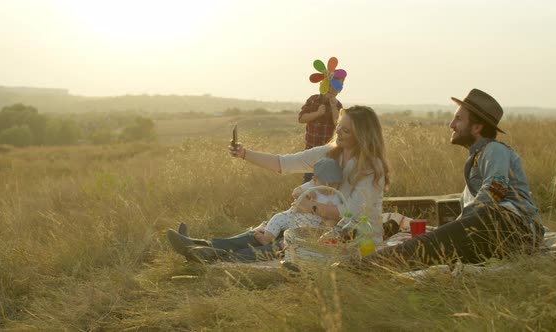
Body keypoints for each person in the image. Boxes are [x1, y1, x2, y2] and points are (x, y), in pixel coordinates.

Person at [167, 105, 390, 263]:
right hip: (322, 223)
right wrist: (244, 154)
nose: (338, 132)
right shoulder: (329, 154)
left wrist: (308, 207)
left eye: (346, 129)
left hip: (354, 238)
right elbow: (284, 163)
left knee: (286, 240)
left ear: (362, 134)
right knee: (268, 229)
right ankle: (200, 244)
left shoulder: (371, 168)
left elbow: (348, 213)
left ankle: (214, 257)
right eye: (339, 126)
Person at [364, 88, 544, 268]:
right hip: (492, 229)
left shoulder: (494, 149)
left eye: (458, 119)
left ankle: (364, 266)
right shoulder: (477, 158)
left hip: (513, 227)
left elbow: (496, 188)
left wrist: (458, 226)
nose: (451, 124)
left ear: (477, 127)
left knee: (430, 243)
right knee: (428, 243)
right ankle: (373, 264)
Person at [254, 157, 344, 246]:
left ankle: (289, 242)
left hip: (311, 222)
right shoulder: (311, 186)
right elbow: (295, 192)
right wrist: (306, 193)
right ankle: (267, 238)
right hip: (292, 214)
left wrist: (328, 223)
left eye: (333, 184)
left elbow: (333, 216)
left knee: (303, 231)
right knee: (277, 218)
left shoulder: (335, 196)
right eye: (325, 183)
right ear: (315, 180)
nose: (328, 187)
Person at [299, 57, 345, 183]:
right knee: (309, 182)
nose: (333, 90)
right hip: (311, 151)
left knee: (326, 184)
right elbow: (301, 118)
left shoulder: (338, 105)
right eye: (330, 86)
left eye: (337, 87)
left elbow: (338, 124)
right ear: (323, 84)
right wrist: (317, 113)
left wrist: (333, 107)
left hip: (329, 153)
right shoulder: (313, 100)